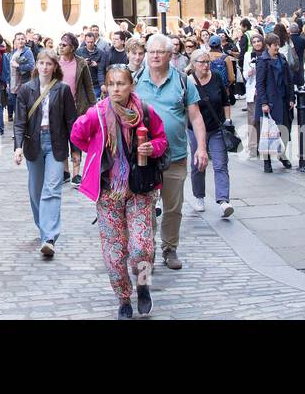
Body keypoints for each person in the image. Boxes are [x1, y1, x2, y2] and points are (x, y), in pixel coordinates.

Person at [71, 65, 168, 318]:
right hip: (108, 192)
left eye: (121, 83)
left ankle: (143, 283)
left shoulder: (145, 112)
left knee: (142, 249)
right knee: (114, 254)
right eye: (111, 84)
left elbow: (161, 140)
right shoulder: (97, 114)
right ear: (106, 86)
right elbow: (77, 135)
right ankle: (123, 299)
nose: (116, 88)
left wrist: (152, 148)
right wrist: (96, 152)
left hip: (140, 190)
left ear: (131, 86)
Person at [135, 34, 209, 270]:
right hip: (144, 158)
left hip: (175, 155)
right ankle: (148, 250)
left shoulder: (183, 81)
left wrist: (201, 149)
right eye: (151, 51)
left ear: (170, 55)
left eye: (160, 52)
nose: (155, 56)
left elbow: (196, 117)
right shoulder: (136, 80)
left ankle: (170, 247)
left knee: (173, 207)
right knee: (145, 207)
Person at [12, 52, 78, 258]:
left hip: (55, 142)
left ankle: (49, 237)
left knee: (52, 189)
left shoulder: (63, 89)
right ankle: (43, 226)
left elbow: (71, 122)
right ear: (37, 65)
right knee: (35, 191)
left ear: (54, 66)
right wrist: (18, 146)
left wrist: (75, 150)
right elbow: (19, 120)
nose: (44, 67)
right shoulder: (26, 89)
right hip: (34, 143)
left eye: (49, 63)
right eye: (41, 63)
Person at [187, 49, 234, 217]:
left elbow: (225, 101)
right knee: (198, 164)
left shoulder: (216, 77)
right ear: (193, 64)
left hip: (216, 128)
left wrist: (228, 121)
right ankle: (199, 196)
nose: (206, 65)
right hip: (194, 130)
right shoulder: (188, 82)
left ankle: (223, 200)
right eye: (202, 62)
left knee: (220, 163)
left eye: (208, 62)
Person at [251, 34, 294, 173]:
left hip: (282, 100)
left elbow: (289, 80)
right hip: (269, 102)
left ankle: (282, 154)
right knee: (267, 133)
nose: (277, 47)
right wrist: (264, 102)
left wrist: (291, 98)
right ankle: (267, 161)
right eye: (275, 45)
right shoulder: (262, 61)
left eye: (278, 44)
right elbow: (260, 84)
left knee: (284, 130)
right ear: (268, 46)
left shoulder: (282, 59)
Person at [57, 34, 95, 185]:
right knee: (61, 140)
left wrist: (93, 106)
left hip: (77, 109)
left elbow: (88, 86)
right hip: (58, 109)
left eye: (64, 44)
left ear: (72, 47)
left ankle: (75, 174)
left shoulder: (81, 64)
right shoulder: (55, 63)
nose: (61, 46)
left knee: (76, 140)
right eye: (60, 44)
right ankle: (65, 171)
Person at [80, 31, 105, 98]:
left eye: (92, 42)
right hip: (83, 84)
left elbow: (103, 68)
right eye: (88, 42)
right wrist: (82, 63)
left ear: (95, 41)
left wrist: (97, 65)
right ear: (85, 41)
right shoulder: (79, 51)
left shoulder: (101, 53)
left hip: (95, 83)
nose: (90, 44)